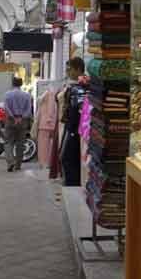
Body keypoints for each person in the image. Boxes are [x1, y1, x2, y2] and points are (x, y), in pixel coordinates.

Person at [60, 57, 87, 186]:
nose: (67, 72)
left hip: (77, 131)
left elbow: (81, 112)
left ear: (78, 69)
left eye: (69, 69)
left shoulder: (82, 88)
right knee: (67, 158)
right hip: (71, 128)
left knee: (69, 158)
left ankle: (73, 185)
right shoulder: (74, 88)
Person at [3, 77, 32, 172]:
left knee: (8, 142)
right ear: (21, 84)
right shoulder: (27, 95)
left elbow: (6, 107)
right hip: (23, 121)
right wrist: (21, 118)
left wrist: (13, 117)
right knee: (20, 143)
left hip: (10, 120)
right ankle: (18, 164)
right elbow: (29, 109)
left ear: (12, 84)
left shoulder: (7, 94)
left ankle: (10, 162)